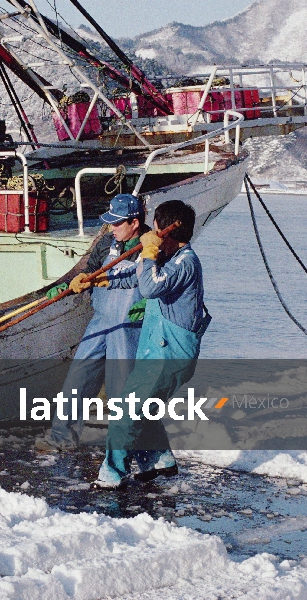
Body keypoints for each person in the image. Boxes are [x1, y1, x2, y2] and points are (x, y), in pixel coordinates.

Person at [95, 200, 210, 487]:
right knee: (142, 407)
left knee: (126, 410)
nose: (152, 233)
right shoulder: (168, 259)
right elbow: (139, 278)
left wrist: (148, 250)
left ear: (169, 230)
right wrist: (100, 281)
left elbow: (149, 286)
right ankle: (159, 460)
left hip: (170, 353)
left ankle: (112, 475)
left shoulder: (186, 263)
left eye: (156, 229)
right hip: (156, 348)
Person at [35, 193, 150, 452]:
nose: (112, 228)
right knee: (78, 376)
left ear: (134, 222)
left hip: (128, 327)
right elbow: (88, 272)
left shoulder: (150, 245)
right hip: (101, 320)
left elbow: (155, 283)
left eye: (117, 223)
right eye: (110, 222)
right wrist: (69, 285)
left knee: (122, 389)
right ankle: (61, 436)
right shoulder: (107, 242)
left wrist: (148, 304)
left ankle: (126, 448)